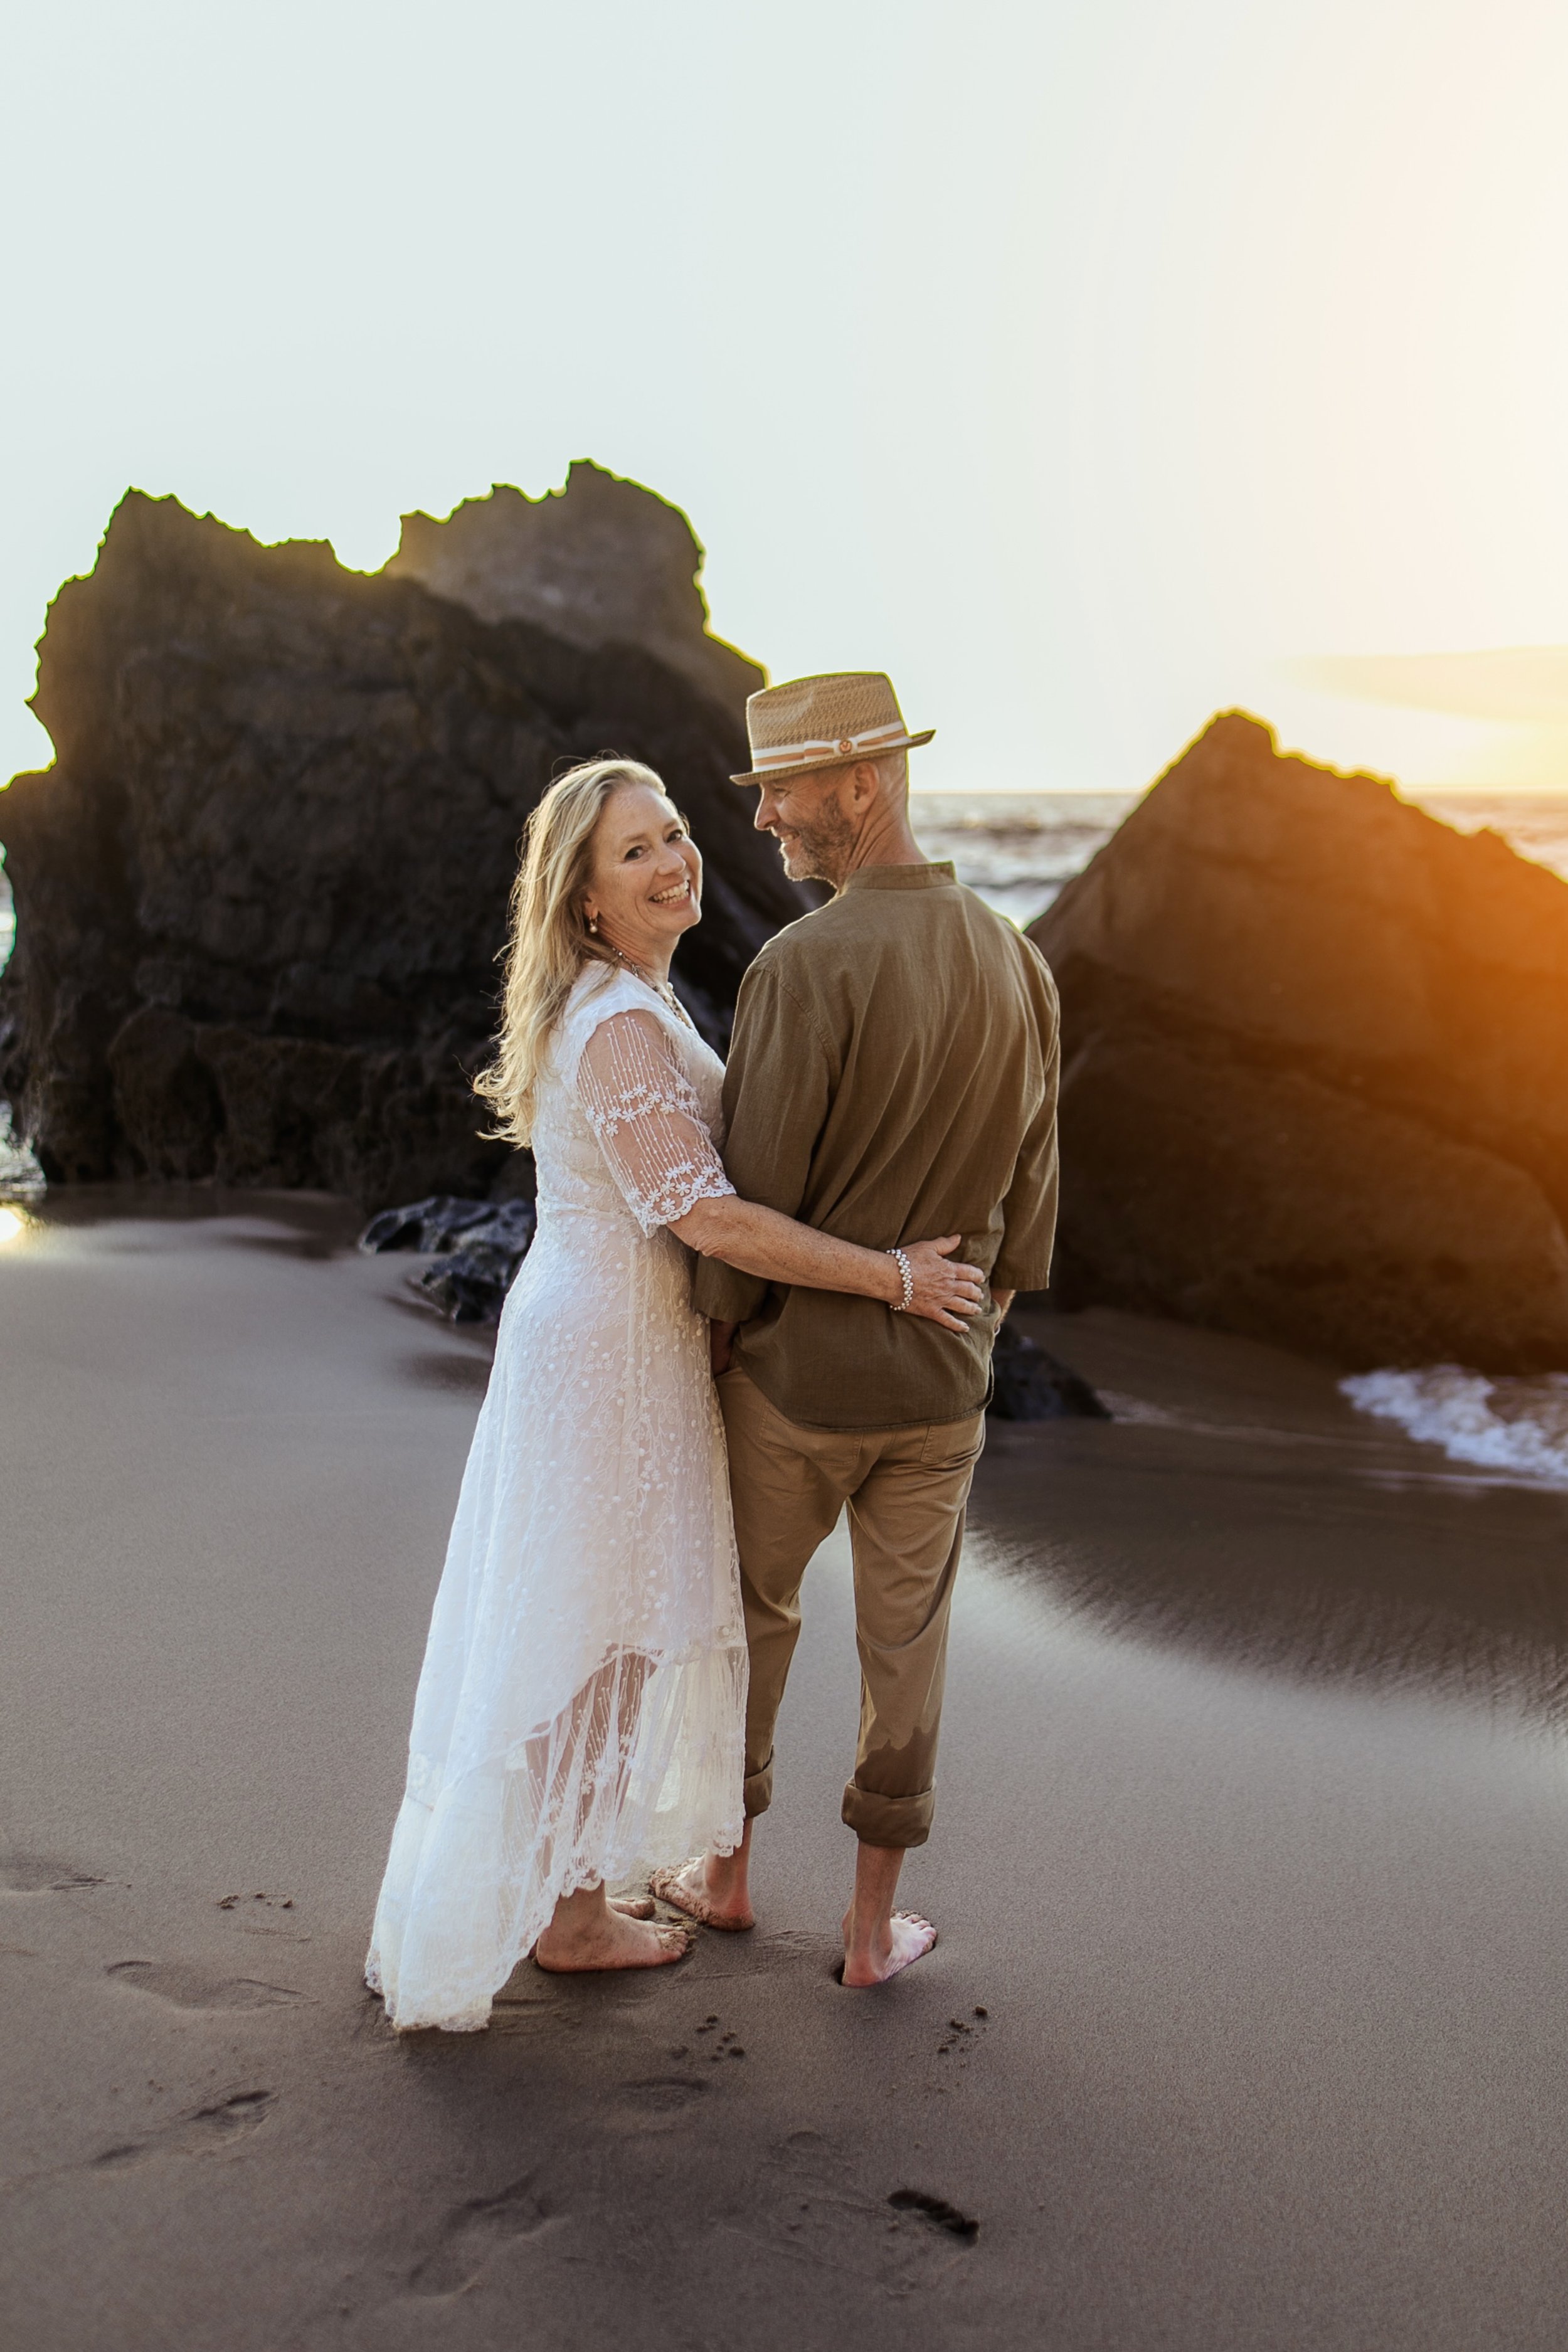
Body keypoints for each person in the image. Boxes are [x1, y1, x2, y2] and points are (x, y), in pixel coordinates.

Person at [365, 756, 983, 2031]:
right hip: (603, 1350)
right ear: (584, 899)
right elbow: (704, 1217)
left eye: (675, 835)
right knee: (587, 1634)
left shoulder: (632, 999)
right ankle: (571, 1916)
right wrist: (889, 1279)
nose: (674, 861)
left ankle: (570, 1891)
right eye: (636, 851)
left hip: (614, 1339)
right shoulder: (622, 1023)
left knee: (597, 1627)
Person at [650, 673, 1060, 1987]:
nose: (764, 817)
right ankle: (871, 1933)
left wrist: (718, 1336)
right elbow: (1033, 1194)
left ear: (862, 787)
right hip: (941, 1393)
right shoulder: (1018, 961)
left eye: (783, 789)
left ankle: (723, 1882)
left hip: (794, 1388)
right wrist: (978, 1322)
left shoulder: (798, 966)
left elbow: (750, 1197)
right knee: (908, 1653)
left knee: (751, 1623)